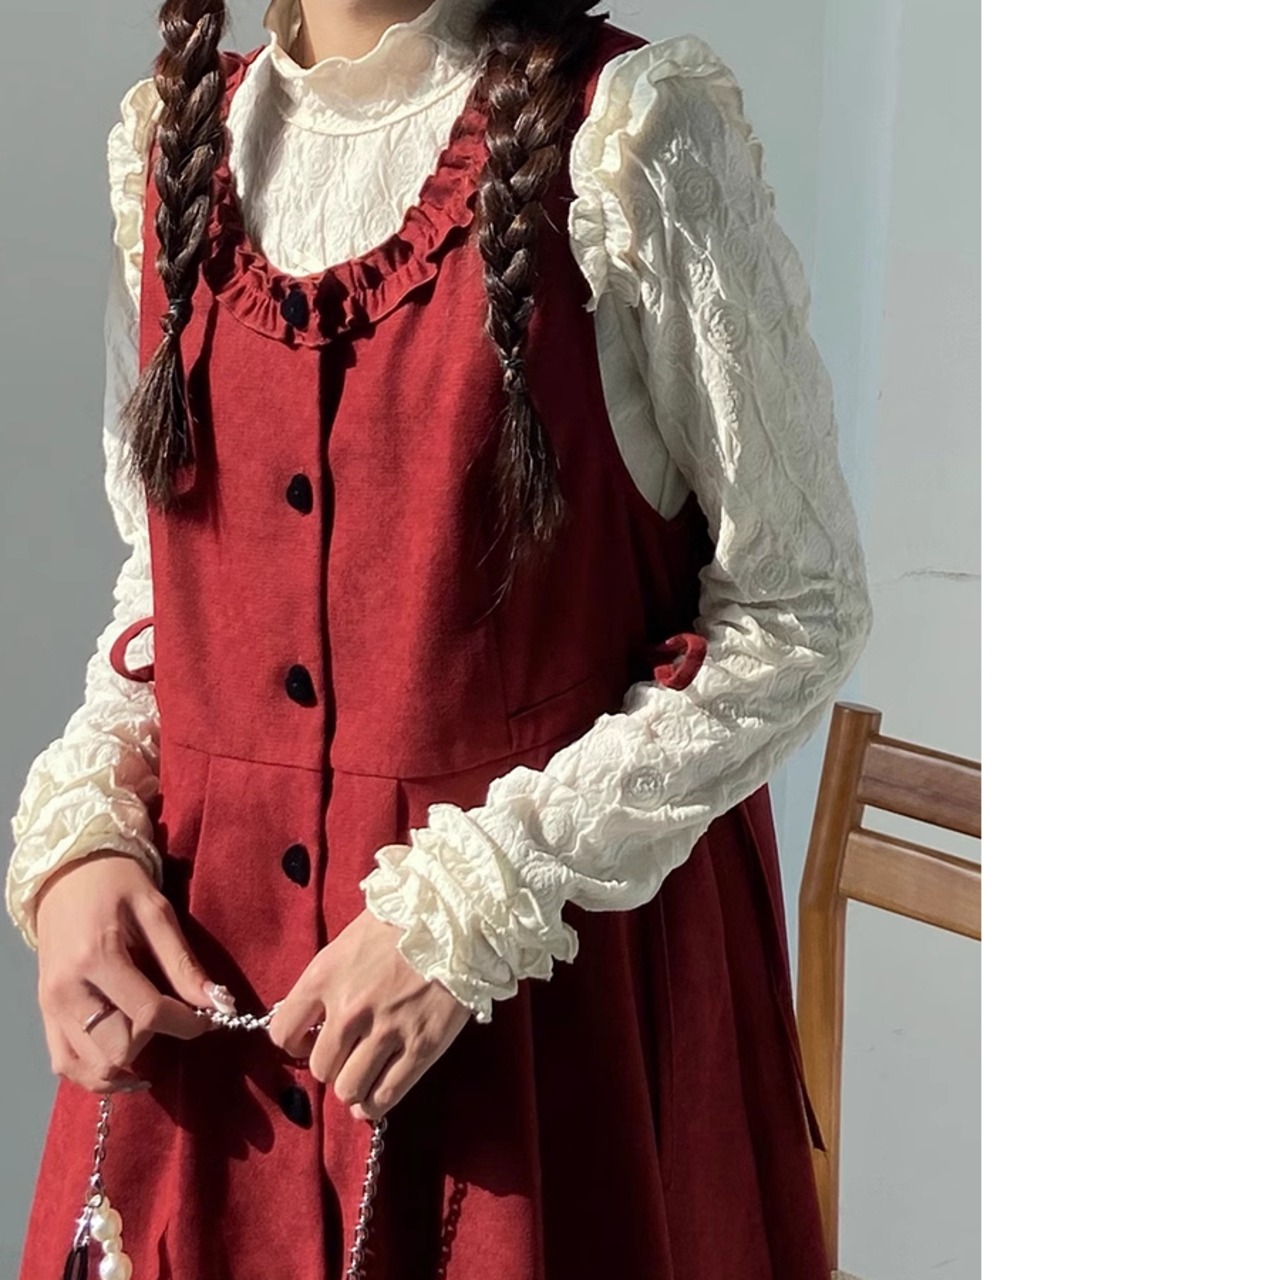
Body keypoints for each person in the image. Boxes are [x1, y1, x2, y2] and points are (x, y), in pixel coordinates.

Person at [5, 0, 873, 1275]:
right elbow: (166, 584)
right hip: (212, 1051)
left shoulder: (629, 133)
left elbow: (797, 604)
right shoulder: (170, 146)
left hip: (540, 1045)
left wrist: (481, 898)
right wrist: (82, 840)